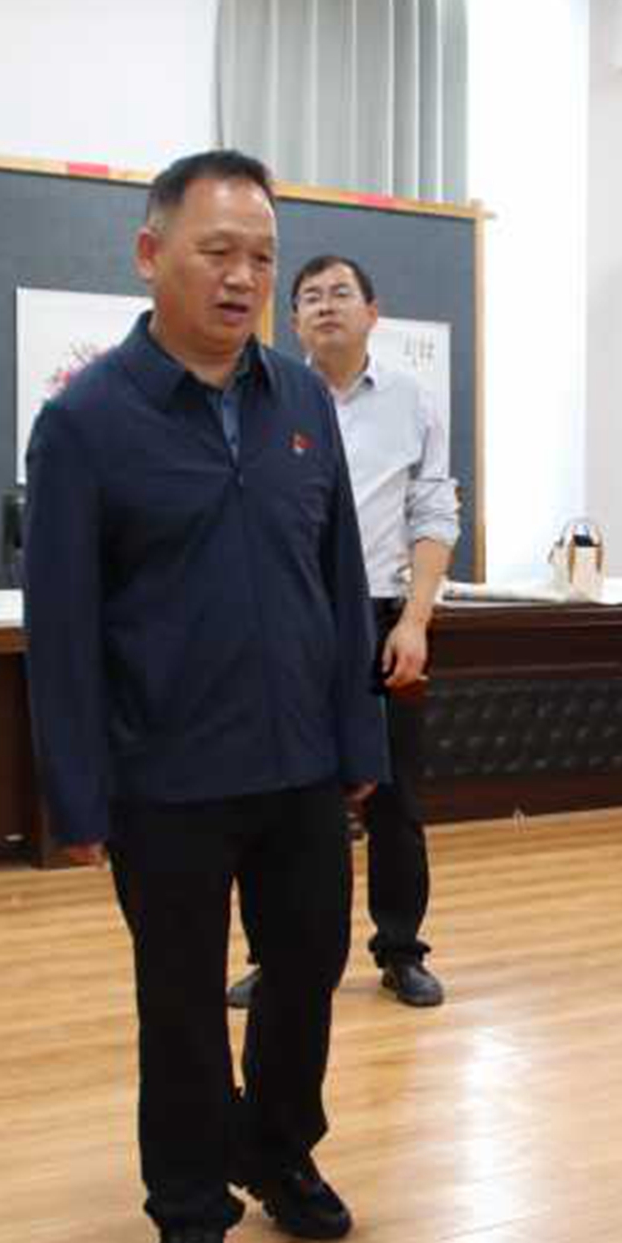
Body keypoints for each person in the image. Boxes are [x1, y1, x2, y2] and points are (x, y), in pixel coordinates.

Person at [23, 149, 387, 1243]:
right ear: (151, 254)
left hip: (299, 763)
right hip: (165, 774)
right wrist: (76, 794)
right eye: (216, 252)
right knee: (179, 999)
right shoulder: (85, 422)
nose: (242, 278)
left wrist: (359, 743)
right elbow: (61, 627)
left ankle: (276, 1149)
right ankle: (188, 1208)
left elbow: (340, 582)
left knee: (308, 970)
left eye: (261, 258)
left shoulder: (301, 405)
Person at [226, 253, 456, 1012]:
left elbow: (434, 512)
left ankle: (401, 949)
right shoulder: (262, 400)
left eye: (340, 293)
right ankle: (275, 957)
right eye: (310, 297)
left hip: (384, 616)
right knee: (280, 799)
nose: (326, 306)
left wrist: (416, 621)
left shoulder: (414, 402)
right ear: (292, 320)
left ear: (372, 313)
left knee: (396, 799)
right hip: (289, 619)